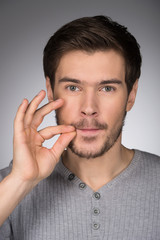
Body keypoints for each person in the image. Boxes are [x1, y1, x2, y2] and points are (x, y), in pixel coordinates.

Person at [0, 15, 160, 239]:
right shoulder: (7, 188)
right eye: (73, 87)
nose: (89, 108)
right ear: (51, 89)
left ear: (131, 95)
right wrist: (20, 181)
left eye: (107, 88)